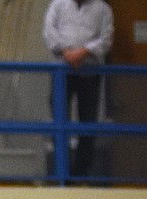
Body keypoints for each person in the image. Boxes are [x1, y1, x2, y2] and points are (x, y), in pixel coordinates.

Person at [43, 0, 114, 179]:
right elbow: (49, 31)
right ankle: (62, 173)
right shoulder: (58, 4)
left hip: (89, 72)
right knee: (60, 120)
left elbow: (106, 39)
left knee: (88, 121)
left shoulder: (103, 9)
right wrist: (66, 53)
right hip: (61, 71)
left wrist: (82, 52)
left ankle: (82, 173)